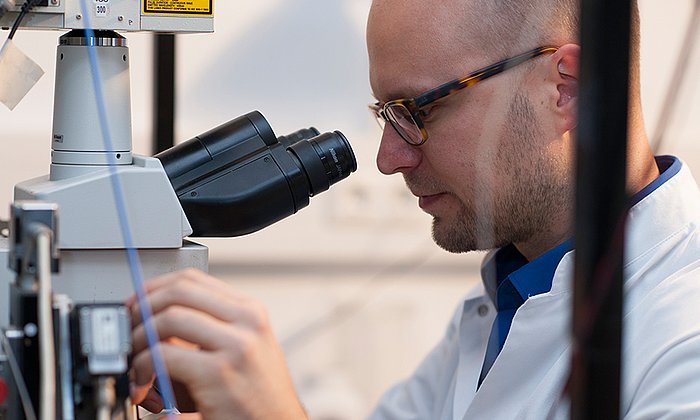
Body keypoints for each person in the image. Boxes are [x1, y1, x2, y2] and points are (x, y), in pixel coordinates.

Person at [129, 0, 700, 418]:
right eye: (386, 114)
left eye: (415, 110)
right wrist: (231, 398)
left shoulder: (684, 338)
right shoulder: (511, 292)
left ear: (567, 87)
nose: (388, 158)